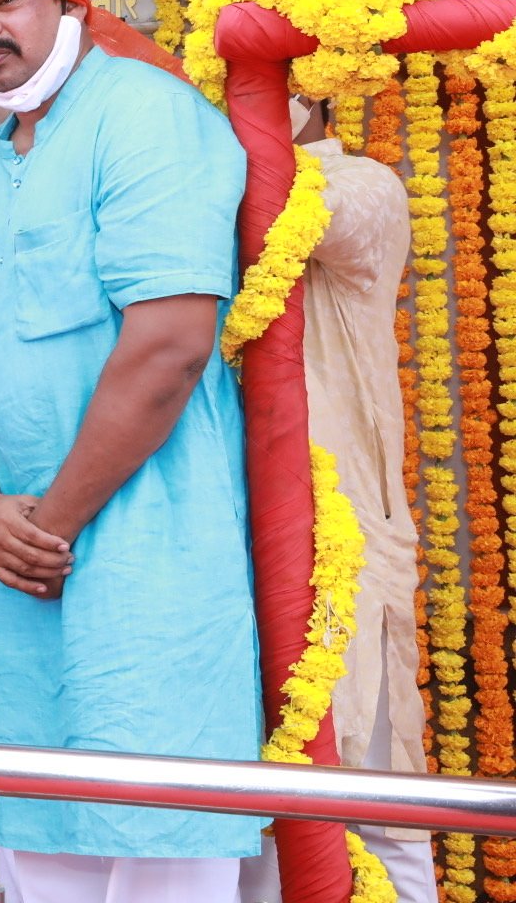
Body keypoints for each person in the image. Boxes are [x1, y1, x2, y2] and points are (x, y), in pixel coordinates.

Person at [0, 0, 261, 901]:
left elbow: (170, 344)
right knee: (41, 844)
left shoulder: (146, 114)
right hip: (20, 567)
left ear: (70, 4)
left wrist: (48, 518)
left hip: (142, 558)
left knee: (160, 843)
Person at [237, 98, 434, 903]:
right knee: (251, 817)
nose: (226, 110)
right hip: (242, 550)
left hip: (341, 546)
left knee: (373, 808)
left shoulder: (365, 187)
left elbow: (301, 215)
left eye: (242, 88)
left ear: (304, 96)